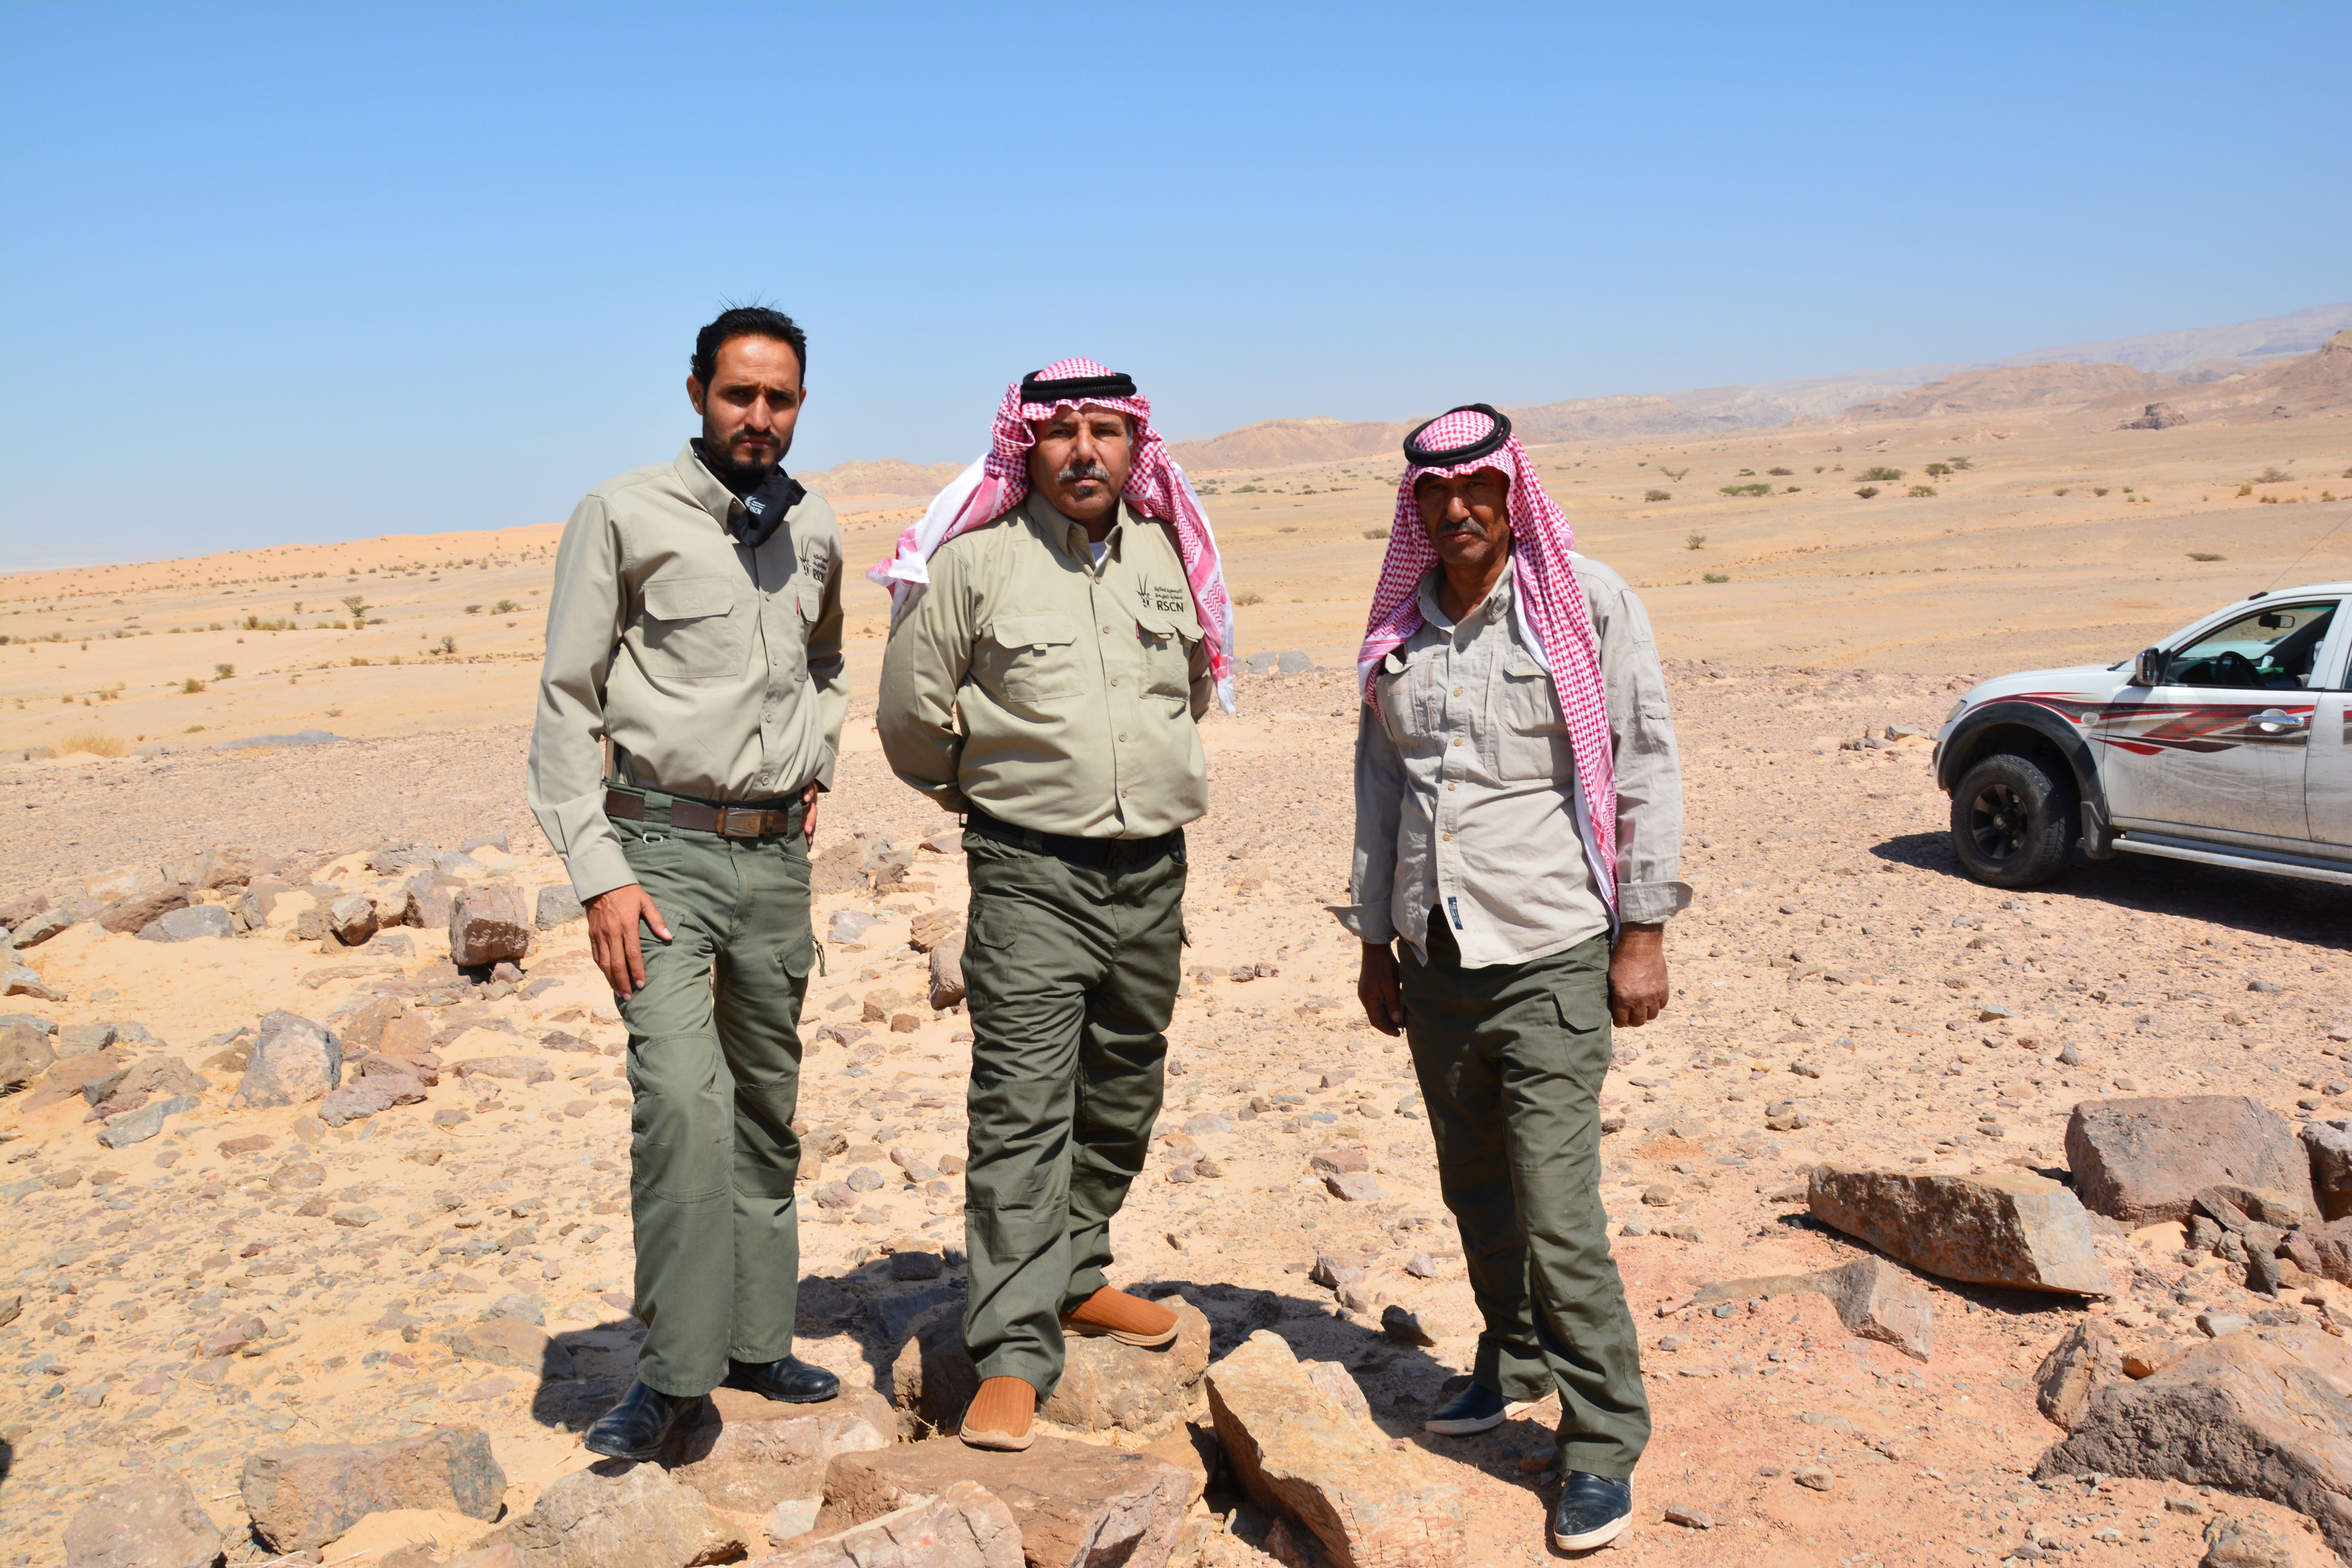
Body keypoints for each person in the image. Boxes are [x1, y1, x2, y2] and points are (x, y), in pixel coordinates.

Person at [1334, 404, 1689, 1553]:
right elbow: (1381, 789)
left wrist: (1644, 931)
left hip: (1549, 952)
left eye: (1476, 487)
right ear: (1416, 507)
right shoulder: (1403, 628)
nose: (1458, 510)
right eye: (1435, 494)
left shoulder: (1583, 603)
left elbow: (1644, 762)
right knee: (1476, 1186)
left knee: (1557, 1208)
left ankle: (1603, 1438)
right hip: (1434, 957)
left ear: (1510, 490)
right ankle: (1513, 1351)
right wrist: (1375, 942)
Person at [871, 359, 1235, 1451]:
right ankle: (1013, 1351)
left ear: (1135, 446)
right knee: (1024, 1105)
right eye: (1061, 430)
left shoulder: (1167, 555)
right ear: (1025, 445)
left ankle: (1077, 1273)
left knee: (1124, 1084)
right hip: (1032, 874)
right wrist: (1001, 796)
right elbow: (909, 721)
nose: (1085, 450)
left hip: (1152, 871)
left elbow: (1190, 692)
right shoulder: (975, 565)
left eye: (1106, 430)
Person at [528, 306, 846, 1459]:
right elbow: (566, 700)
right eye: (738, 394)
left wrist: (816, 762)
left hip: (774, 859)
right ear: (698, 394)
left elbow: (826, 661)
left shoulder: (814, 528)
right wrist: (598, 876)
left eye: (780, 398)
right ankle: (672, 1378)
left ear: (800, 405)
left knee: (764, 1102)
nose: (759, 416)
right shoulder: (623, 514)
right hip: (656, 856)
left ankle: (757, 1341)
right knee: (678, 1103)